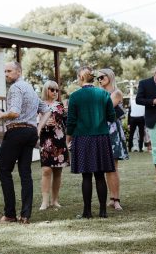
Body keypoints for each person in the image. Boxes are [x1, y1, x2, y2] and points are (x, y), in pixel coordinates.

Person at [66, 68, 117, 219]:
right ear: (92, 78)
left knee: (86, 176)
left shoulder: (75, 96)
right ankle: (103, 212)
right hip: (101, 137)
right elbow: (111, 116)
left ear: (79, 78)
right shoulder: (103, 94)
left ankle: (87, 212)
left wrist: (68, 138)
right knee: (100, 175)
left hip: (82, 138)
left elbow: (71, 120)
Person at [0, 62, 40, 224]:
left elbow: (14, 112)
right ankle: (25, 215)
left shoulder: (15, 88)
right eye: (4, 71)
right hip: (30, 133)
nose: (6, 74)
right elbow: (46, 110)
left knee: (4, 171)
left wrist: (1, 114)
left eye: (9, 71)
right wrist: (37, 129)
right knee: (25, 173)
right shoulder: (31, 89)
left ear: (19, 71)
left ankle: (10, 214)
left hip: (16, 131)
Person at [97, 69, 128, 211]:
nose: (99, 79)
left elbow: (103, 108)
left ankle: (116, 199)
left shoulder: (116, 93)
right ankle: (111, 198)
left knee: (113, 167)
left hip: (112, 131)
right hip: (100, 130)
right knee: (104, 168)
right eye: (97, 78)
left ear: (109, 77)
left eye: (102, 77)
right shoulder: (99, 93)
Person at [37, 80, 69, 210]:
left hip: (59, 140)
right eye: (52, 90)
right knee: (46, 170)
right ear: (46, 90)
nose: (55, 92)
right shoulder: (39, 105)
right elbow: (35, 121)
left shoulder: (60, 106)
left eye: (57, 90)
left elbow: (64, 122)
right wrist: (44, 123)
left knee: (57, 171)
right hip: (46, 140)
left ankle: (55, 200)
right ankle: (44, 201)